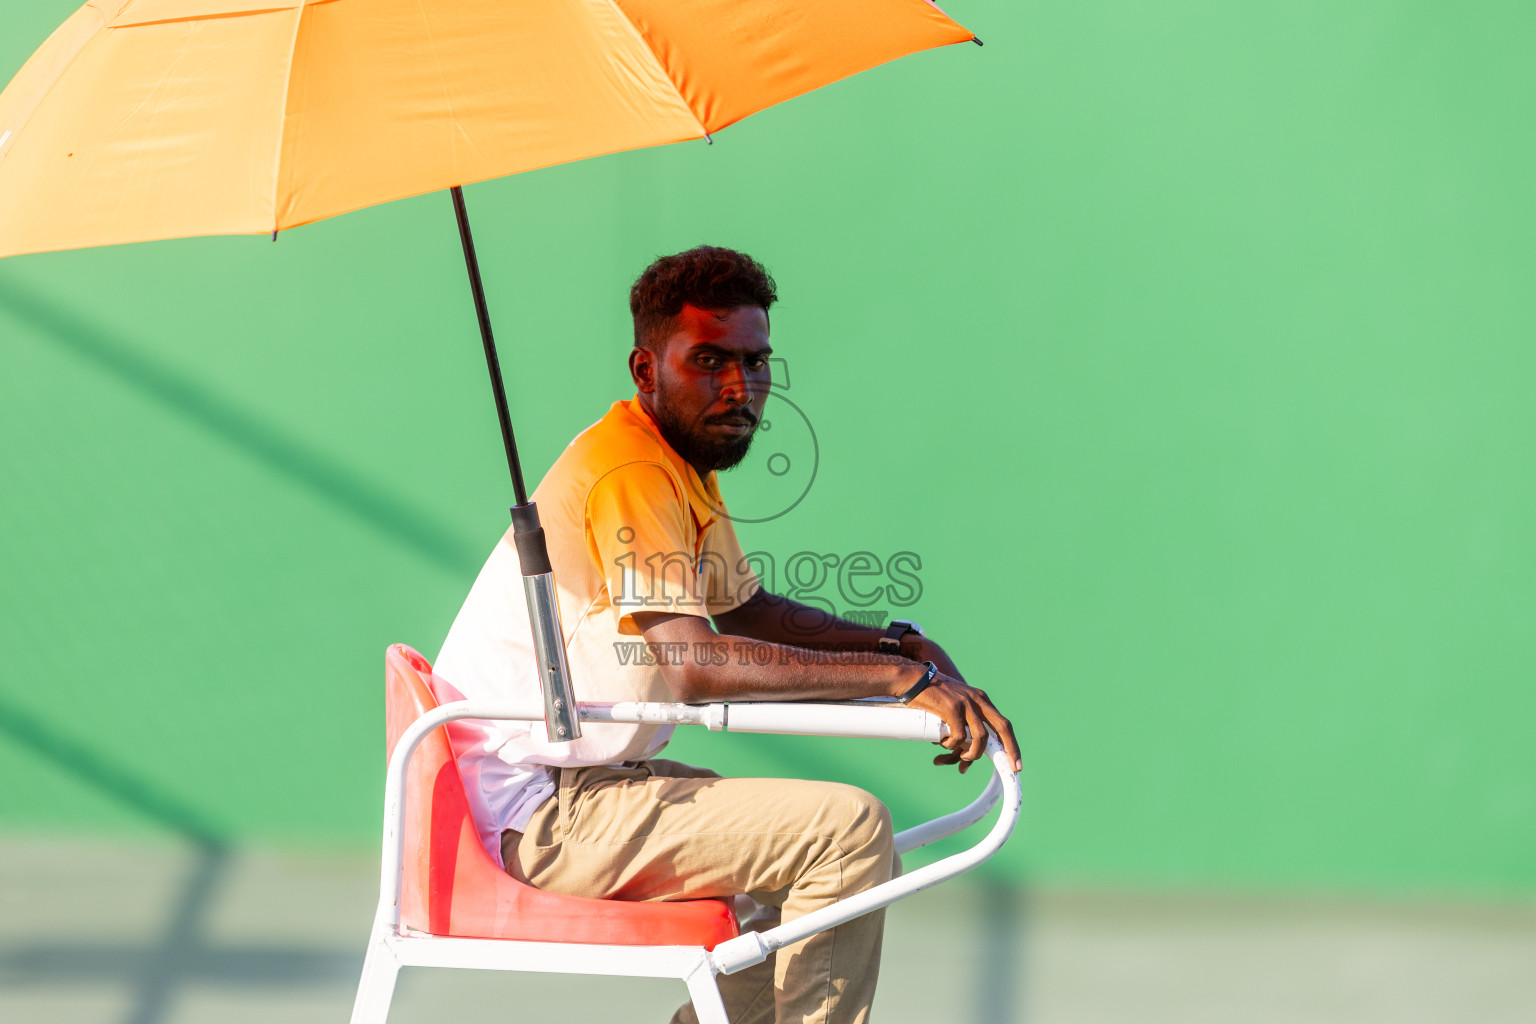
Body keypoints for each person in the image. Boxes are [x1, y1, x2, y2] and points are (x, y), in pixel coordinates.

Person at [434, 245, 1020, 1024]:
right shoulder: (629, 473)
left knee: (800, 860)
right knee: (845, 831)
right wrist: (901, 685)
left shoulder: (675, 462)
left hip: (586, 790)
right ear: (647, 370)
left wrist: (896, 647)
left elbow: (742, 611)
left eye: (755, 361)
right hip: (540, 817)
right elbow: (696, 664)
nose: (740, 388)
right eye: (709, 361)